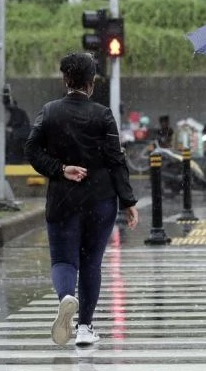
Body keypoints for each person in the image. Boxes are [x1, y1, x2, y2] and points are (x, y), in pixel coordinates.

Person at [25, 52, 139, 347]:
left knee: (64, 260)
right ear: (92, 83)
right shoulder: (103, 115)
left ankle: (66, 297)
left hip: (63, 199)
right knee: (91, 263)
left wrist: (60, 169)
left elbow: (31, 150)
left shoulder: (50, 112)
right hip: (100, 200)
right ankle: (85, 327)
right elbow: (116, 160)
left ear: (65, 79)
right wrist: (128, 201)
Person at [6, 99, 32, 164]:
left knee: (16, 149)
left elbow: (17, 123)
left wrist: (10, 128)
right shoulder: (17, 112)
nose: (7, 107)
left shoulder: (17, 112)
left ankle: (16, 161)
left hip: (20, 134)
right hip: (22, 134)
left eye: (8, 105)